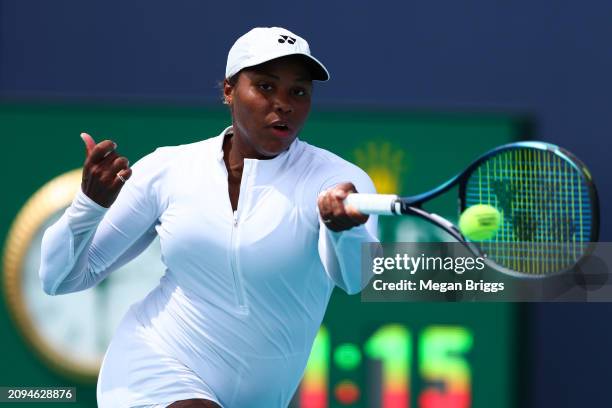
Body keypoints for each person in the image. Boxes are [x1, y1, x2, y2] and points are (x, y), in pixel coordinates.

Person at [39, 27, 378, 408]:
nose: (283, 104)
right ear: (229, 91)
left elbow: (355, 279)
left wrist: (341, 230)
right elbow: (60, 279)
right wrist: (88, 206)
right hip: (155, 365)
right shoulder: (169, 169)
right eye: (266, 87)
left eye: (298, 92)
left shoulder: (337, 181)